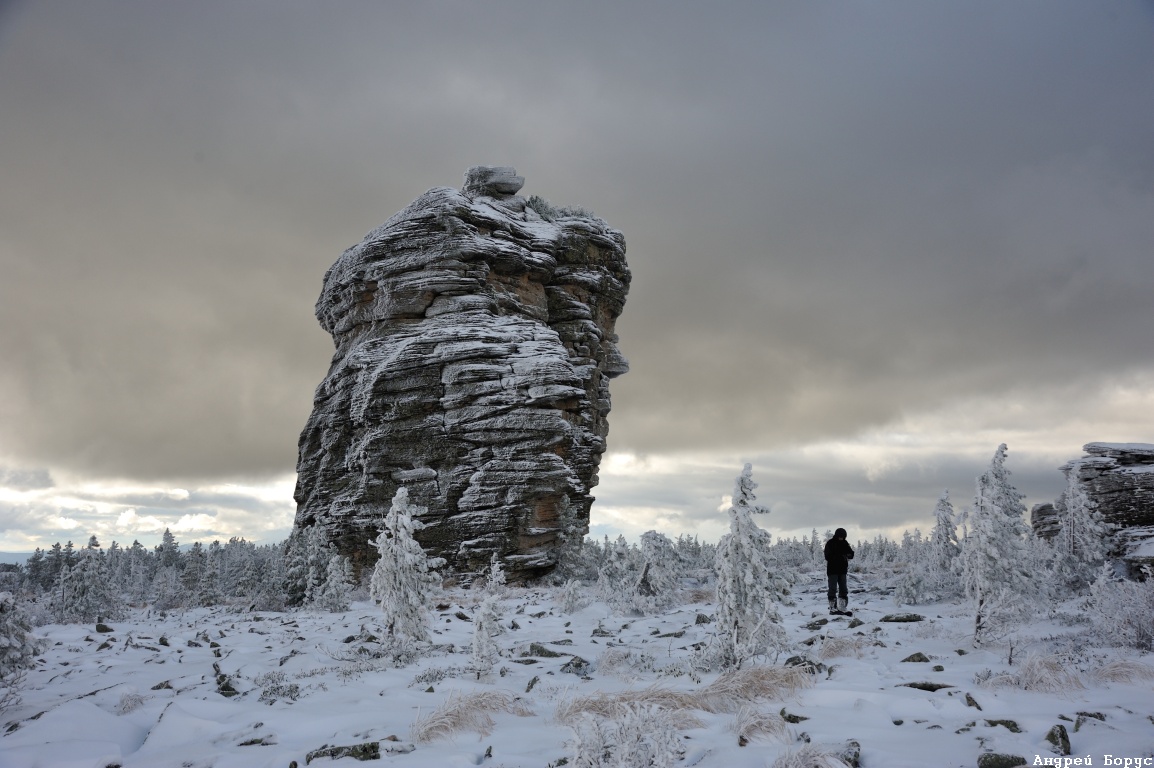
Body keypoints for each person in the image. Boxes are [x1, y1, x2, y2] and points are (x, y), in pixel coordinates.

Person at [824, 528, 854, 614]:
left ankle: (842, 607)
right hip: (832, 570)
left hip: (842, 570)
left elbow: (851, 554)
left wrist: (847, 555)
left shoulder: (845, 543)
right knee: (832, 589)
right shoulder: (830, 543)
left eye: (842, 536)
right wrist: (840, 557)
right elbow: (827, 556)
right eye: (840, 536)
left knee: (843, 589)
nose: (841, 538)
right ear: (837, 535)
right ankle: (833, 607)